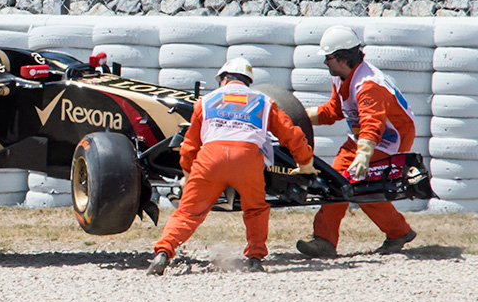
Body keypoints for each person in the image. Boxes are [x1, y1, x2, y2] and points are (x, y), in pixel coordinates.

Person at [148, 57, 316, 275]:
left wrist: (188, 172)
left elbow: (189, 144)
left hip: (210, 159)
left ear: (225, 79)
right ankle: (255, 258)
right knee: (255, 209)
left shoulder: (206, 101)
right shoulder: (263, 101)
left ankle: (163, 252)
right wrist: (305, 162)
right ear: (248, 81)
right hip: (247, 159)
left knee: (189, 213)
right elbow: (291, 134)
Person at [296, 25, 418, 258]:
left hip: (390, 139)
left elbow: (373, 124)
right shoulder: (341, 76)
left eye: (328, 58)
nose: (325, 62)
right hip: (362, 137)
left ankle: (398, 232)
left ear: (343, 58)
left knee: (362, 188)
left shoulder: (368, 85)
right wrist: (297, 117)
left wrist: (363, 156)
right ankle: (325, 241)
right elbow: (333, 111)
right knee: (335, 182)